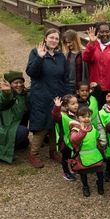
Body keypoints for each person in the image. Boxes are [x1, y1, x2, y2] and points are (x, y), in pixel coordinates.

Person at [26, 28, 70, 168]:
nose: (54, 40)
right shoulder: (35, 52)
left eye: (56, 38)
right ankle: (34, 154)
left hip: (57, 96)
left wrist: (67, 96)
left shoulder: (60, 56)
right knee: (42, 125)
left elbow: (65, 78)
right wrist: (40, 57)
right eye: (51, 37)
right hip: (41, 95)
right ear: (45, 38)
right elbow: (31, 72)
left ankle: (53, 151)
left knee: (54, 124)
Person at [83, 22, 110, 109]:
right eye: (102, 32)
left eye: (107, 31)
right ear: (97, 32)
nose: (105, 34)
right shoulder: (93, 46)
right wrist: (91, 44)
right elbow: (86, 58)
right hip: (96, 89)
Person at [69, 107, 104, 197]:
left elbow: (96, 137)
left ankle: (100, 184)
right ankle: (85, 186)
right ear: (77, 118)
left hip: (95, 155)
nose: (87, 119)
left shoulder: (92, 127)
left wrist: (100, 145)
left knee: (100, 170)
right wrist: (82, 132)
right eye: (83, 116)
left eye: (89, 116)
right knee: (83, 172)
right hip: (82, 157)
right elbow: (74, 139)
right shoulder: (75, 130)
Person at [0, 71, 30, 163]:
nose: (19, 85)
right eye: (15, 83)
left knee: (25, 143)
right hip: (5, 127)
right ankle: (2, 152)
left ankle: (8, 145)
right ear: (9, 84)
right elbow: (3, 99)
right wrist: (7, 92)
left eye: (21, 82)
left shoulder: (24, 95)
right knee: (23, 131)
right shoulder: (6, 94)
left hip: (14, 126)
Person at [52, 95, 78, 181]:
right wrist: (57, 107)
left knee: (74, 154)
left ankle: (73, 168)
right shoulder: (62, 115)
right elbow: (55, 116)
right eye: (73, 104)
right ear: (66, 106)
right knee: (66, 157)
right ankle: (66, 172)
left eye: (76, 103)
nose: (76, 105)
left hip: (74, 140)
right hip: (65, 141)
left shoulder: (77, 114)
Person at [62, 29, 89, 94]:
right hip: (68, 86)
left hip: (81, 87)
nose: (68, 45)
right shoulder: (66, 54)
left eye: (69, 42)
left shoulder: (84, 53)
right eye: (66, 43)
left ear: (75, 40)